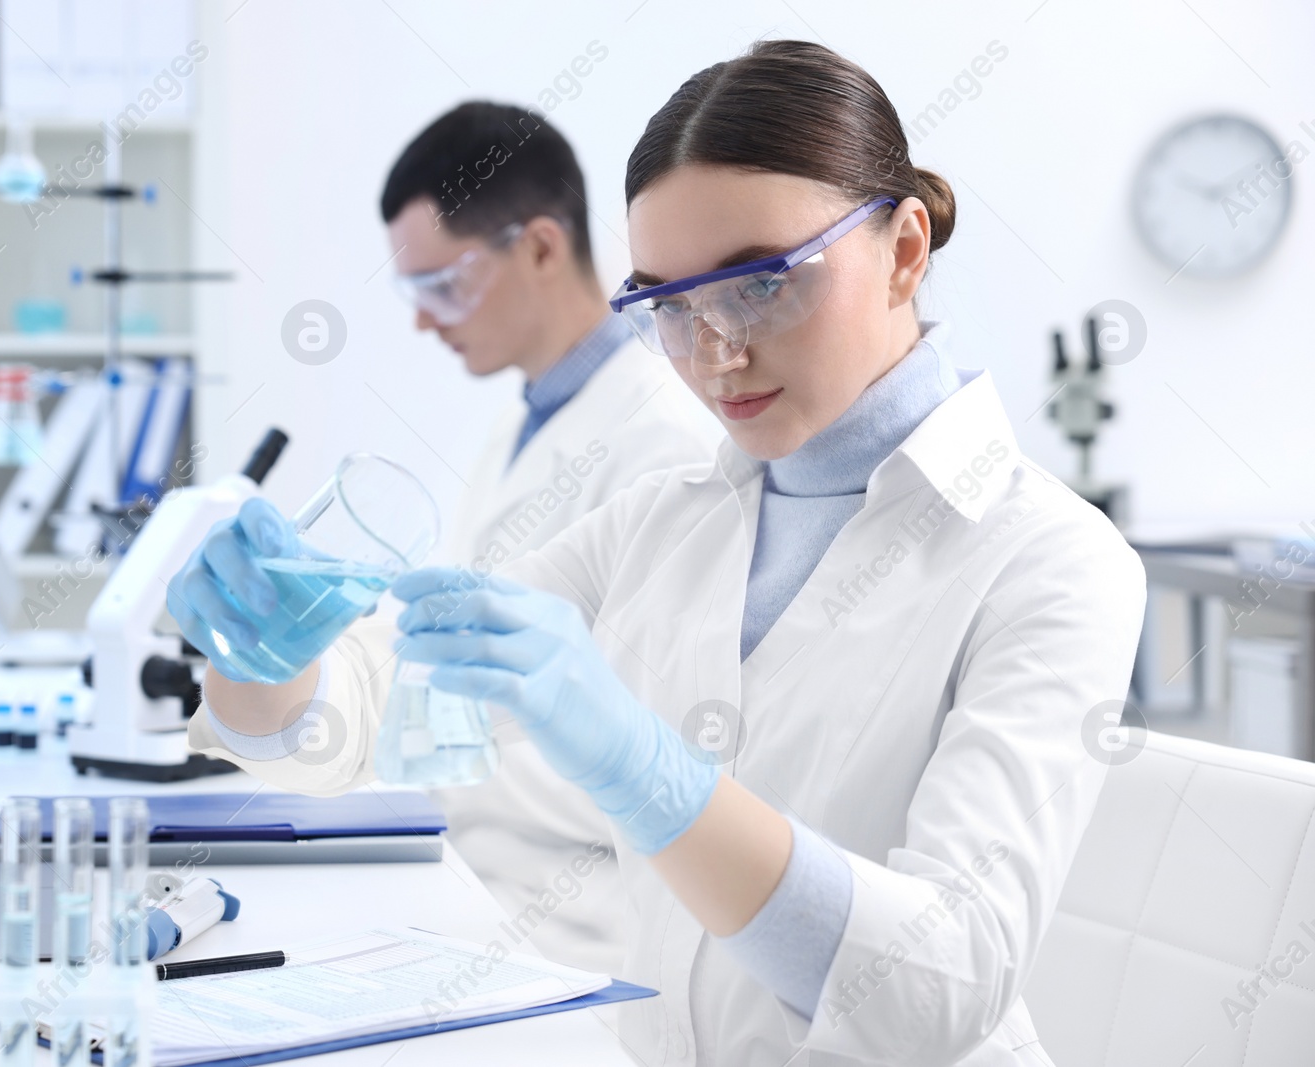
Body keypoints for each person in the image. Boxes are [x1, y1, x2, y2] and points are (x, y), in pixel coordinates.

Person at [174, 41, 1145, 1066]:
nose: (715, 351)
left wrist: (648, 772)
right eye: (669, 307)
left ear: (904, 249)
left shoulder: (1054, 559)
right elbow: (360, 713)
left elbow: (933, 994)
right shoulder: (665, 518)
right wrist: (262, 652)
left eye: (761, 284)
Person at [188, 102, 718, 976]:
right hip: (478, 892)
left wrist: (395, 718)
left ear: (542, 248)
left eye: (442, 285)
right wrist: (309, 671)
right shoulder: (526, 427)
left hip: (576, 934)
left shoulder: (667, 443)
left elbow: (650, 754)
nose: (425, 322)